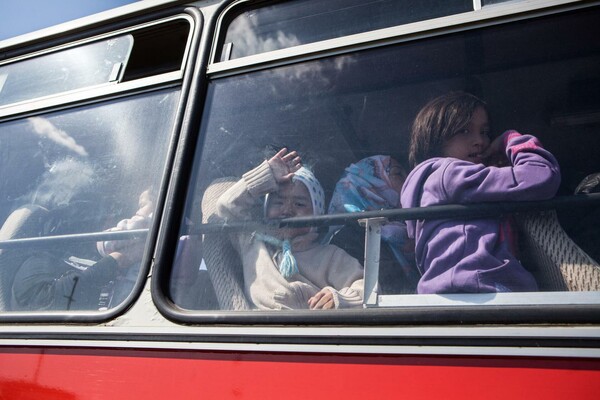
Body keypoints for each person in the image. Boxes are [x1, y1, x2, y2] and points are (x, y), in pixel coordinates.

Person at [400, 92, 561, 294]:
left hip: (467, 291)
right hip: (480, 291)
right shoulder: (450, 174)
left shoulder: (433, 183)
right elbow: (541, 177)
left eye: (485, 132)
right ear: (435, 137)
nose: (480, 141)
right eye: (464, 130)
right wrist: (509, 139)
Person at [216, 148, 364, 310]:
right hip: (260, 329)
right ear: (266, 209)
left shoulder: (332, 255)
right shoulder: (252, 242)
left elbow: (366, 287)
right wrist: (266, 175)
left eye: (299, 204)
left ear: (317, 214)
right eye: (278, 202)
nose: (287, 210)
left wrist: (339, 299)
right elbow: (226, 206)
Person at [11, 191, 153, 311]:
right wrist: (118, 260)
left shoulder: (93, 254)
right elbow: (46, 304)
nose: (113, 222)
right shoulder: (38, 262)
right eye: (105, 217)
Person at [327, 155, 420, 294]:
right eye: (397, 173)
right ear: (369, 183)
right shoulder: (347, 239)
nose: (407, 181)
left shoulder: (416, 228)